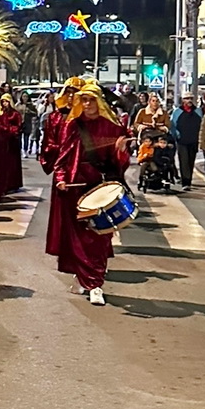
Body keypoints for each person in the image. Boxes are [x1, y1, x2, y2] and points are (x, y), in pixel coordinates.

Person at [51, 83, 130, 306]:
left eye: (91, 100)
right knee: (76, 238)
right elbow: (63, 159)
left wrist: (122, 151)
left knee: (99, 238)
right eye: (83, 100)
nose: (87, 105)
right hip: (75, 187)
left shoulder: (112, 127)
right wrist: (61, 179)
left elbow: (119, 164)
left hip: (100, 186)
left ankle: (95, 284)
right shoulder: (72, 126)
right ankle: (83, 277)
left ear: (99, 102)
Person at [170, 94, 203, 190]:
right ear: (183, 100)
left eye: (190, 99)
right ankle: (185, 182)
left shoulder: (198, 111)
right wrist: (177, 135)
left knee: (191, 161)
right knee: (183, 160)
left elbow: (201, 125)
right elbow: (172, 125)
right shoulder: (177, 112)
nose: (189, 100)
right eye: (186, 98)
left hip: (194, 140)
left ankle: (189, 180)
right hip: (182, 141)